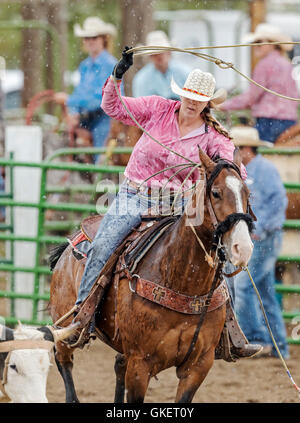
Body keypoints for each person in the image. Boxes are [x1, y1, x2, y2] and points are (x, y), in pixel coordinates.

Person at [69, 47, 261, 359]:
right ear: (182, 94)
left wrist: (230, 174)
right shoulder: (158, 108)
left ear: (206, 103)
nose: (192, 101)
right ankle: (82, 315)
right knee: (104, 243)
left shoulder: (213, 135)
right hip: (135, 194)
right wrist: (118, 76)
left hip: (179, 204)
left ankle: (229, 331)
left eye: (199, 98)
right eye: (189, 95)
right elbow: (113, 107)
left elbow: (229, 165)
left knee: (215, 254)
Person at [230, 125, 289, 359]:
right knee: (264, 292)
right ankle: (279, 347)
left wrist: (260, 229)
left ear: (245, 149)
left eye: (235, 148)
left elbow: (279, 203)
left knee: (242, 287)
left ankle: (258, 339)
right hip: (260, 237)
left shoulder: (263, 170)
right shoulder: (249, 170)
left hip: (264, 237)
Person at [220, 23, 299, 143]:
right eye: (255, 42)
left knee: (243, 148)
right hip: (289, 122)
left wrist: (223, 105)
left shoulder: (265, 64)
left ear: (271, 44)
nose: (255, 46)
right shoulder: (287, 64)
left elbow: (251, 96)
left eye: (259, 42)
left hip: (269, 123)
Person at [54, 17, 119, 153]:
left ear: (103, 39)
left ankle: (100, 169)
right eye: (86, 38)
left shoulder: (110, 64)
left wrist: (68, 100)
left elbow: (101, 100)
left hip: (107, 118)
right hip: (87, 118)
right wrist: (74, 112)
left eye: (94, 37)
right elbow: (80, 92)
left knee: (100, 154)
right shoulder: (84, 66)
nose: (90, 41)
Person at [132, 31, 190, 100]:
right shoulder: (141, 79)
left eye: (161, 52)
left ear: (169, 52)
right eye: (154, 53)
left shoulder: (185, 73)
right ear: (150, 56)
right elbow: (141, 106)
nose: (158, 56)